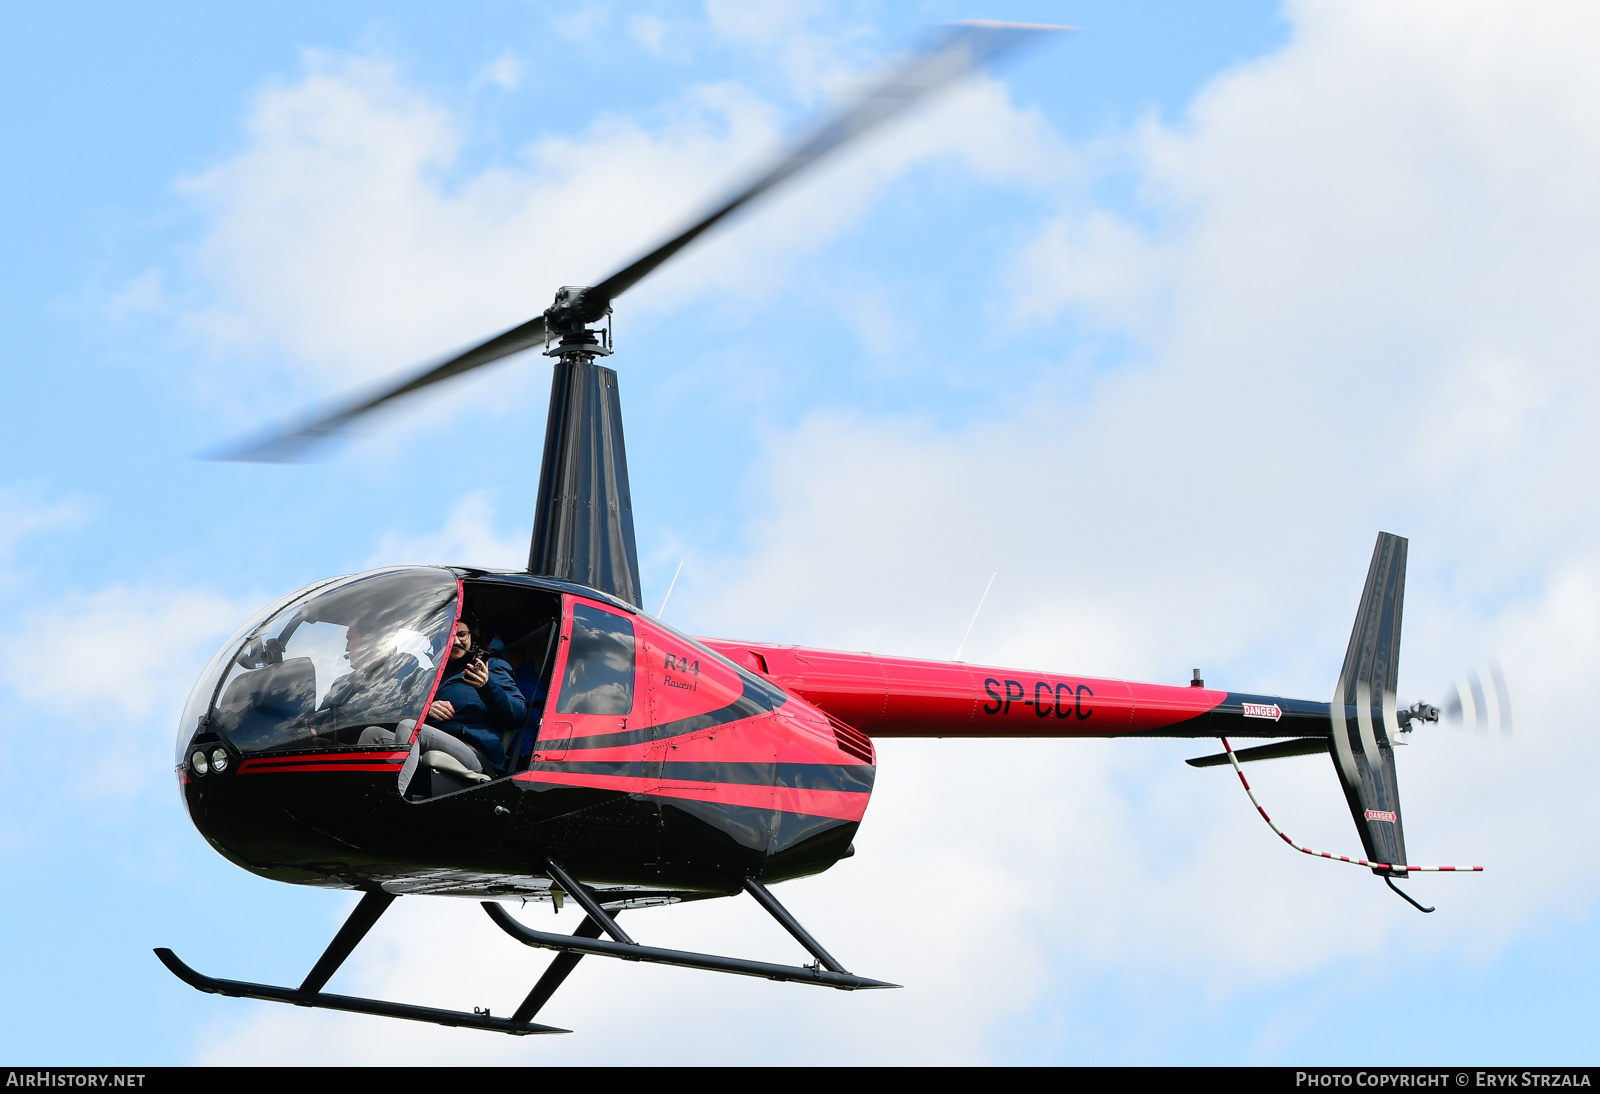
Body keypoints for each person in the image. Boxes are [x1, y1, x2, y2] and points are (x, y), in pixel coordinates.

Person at [422, 614, 528, 776]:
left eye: (462, 634)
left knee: (410, 728)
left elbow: (518, 714)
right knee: (374, 735)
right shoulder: (433, 672)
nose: (456, 641)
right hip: (437, 739)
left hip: (476, 749)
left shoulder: (492, 667)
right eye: (448, 635)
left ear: (474, 635)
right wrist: (426, 708)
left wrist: (486, 686)